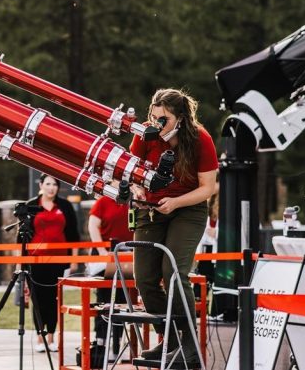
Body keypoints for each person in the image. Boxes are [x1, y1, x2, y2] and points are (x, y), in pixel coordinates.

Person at [129, 89, 218, 365]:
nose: (157, 123)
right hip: (151, 209)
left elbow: (208, 188)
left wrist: (177, 202)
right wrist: (137, 189)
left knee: (174, 273)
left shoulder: (200, 139)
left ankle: (190, 346)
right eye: (153, 117)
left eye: (163, 119)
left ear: (180, 118)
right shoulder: (146, 133)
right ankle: (170, 339)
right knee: (143, 277)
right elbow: (130, 171)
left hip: (187, 209)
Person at [25, 174, 80, 353]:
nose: (51, 187)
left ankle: (51, 338)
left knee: (54, 299)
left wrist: (73, 259)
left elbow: (74, 234)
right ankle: (40, 339)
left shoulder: (65, 206)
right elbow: (22, 237)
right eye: (48, 184)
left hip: (59, 260)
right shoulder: (31, 205)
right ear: (41, 185)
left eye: (54, 184)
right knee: (38, 300)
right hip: (35, 260)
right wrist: (21, 263)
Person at [87, 195, 134, 358]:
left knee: (121, 302)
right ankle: (101, 345)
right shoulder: (103, 201)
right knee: (105, 303)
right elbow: (93, 225)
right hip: (104, 257)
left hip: (127, 257)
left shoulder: (134, 200)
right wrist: (101, 250)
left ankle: (116, 346)